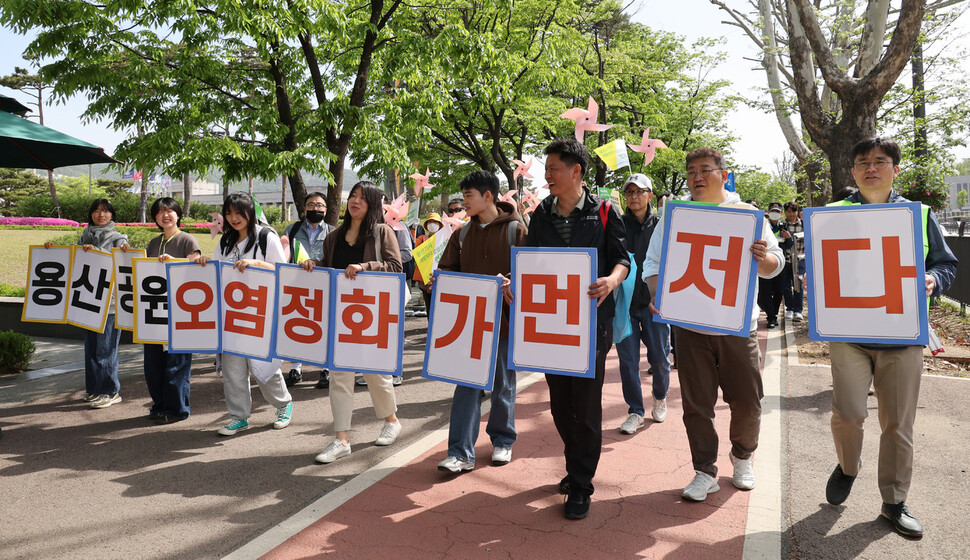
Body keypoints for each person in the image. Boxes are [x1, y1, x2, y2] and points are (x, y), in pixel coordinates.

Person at [823, 137, 957, 538]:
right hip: (848, 331)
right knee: (848, 412)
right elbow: (820, 262)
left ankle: (894, 501)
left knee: (898, 423)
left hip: (902, 333)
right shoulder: (830, 215)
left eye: (880, 162)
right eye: (863, 162)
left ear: (895, 169)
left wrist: (934, 279)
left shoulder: (919, 214)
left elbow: (945, 264)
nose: (871, 168)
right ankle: (849, 465)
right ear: (853, 171)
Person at [643, 147, 784, 502]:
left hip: (738, 327)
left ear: (724, 173)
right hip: (690, 329)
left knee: (748, 401)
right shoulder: (673, 217)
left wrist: (762, 257)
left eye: (705, 169)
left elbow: (775, 263)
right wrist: (660, 293)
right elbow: (653, 263)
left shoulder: (748, 215)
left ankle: (743, 455)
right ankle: (704, 469)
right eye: (691, 171)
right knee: (696, 404)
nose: (697, 177)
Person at [515, 138, 629, 520]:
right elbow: (531, 262)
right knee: (561, 404)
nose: (547, 176)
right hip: (550, 325)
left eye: (553, 170)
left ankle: (582, 484)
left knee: (585, 404)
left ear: (576, 172)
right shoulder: (542, 213)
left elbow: (622, 259)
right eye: (546, 170)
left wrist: (611, 282)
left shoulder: (605, 211)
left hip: (592, 324)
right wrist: (517, 286)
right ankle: (573, 464)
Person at [303, 181, 405, 464]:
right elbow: (327, 268)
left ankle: (392, 421)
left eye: (363, 198)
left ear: (373, 203)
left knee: (375, 374)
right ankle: (341, 439)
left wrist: (365, 267)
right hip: (340, 315)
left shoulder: (382, 231)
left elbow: (396, 267)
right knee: (340, 378)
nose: (355, 202)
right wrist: (313, 266)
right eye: (353, 197)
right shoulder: (334, 237)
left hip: (372, 313)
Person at [435, 170, 527, 474]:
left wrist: (510, 281)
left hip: (504, 323)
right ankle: (460, 452)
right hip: (469, 325)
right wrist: (441, 281)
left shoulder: (516, 230)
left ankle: (502, 440)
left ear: (488, 196)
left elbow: (532, 271)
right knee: (466, 386)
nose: (464, 203)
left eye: (469, 196)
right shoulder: (462, 234)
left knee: (503, 385)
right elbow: (447, 269)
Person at [199, 192, 294, 436]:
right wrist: (202, 262)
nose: (233, 218)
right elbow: (218, 273)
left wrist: (257, 264)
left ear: (250, 213)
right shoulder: (225, 241)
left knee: (264, 367)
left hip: (261, 315)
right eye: (229, 213)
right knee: (233, 370)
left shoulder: (266, 237)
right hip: (231, 316)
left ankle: (283, 404)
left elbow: (283, 271)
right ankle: (238, 416)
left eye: (239, 213)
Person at [47, 199, 129, 409]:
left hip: (109, 305)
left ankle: (110, 391)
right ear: (91, 214)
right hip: (87, 303)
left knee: (106, 350)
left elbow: (123, 257)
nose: (101, 215)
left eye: (105, 211)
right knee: (91, 349)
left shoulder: (118, 239)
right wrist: (50, 250)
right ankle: (94, 389)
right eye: (96, 211)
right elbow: (70, 260)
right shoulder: (84, 236)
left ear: (112, 215)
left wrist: (99, 252)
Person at [615, 173, 670, 435]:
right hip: (624, 306)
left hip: (655, 305)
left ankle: (660, 396)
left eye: (639, 191)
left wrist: (658, 295)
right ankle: (635, 411)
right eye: (629, 192)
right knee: (628, 362)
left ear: (650, 195)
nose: (634, 197)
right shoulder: (616, 225)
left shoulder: (662, 225)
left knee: (659, 358)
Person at [144, 197, 201, 423]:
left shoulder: (187, 239)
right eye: (160, 212)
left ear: (178, 214)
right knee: (153, 364)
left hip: (180, 312)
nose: (165, 215)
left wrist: (175, 260)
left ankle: (177, 409)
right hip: (154, 313)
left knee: (176, 364)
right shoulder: (152, 243)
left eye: (169, 211)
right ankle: (159, 405)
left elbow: (196, 264)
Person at [283, 191, 334, 389]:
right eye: (311, 205)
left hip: (324, 286)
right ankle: (296, 369)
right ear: (304, 209)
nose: (315, 209)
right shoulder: (292, 230)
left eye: (320, 205)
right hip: (297, 286)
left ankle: (326, 369)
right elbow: (284, 256)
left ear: (326, 210)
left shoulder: (332, 231)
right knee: (297, 325)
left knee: (325, 327)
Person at [757, 202, 791, 328]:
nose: (775, 214)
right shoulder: (763, 225)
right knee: (763, 293)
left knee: (778, 291)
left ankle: (773, 316)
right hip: (764, 263)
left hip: (781, 265)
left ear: (781, 213)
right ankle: (770, 315)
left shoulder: (784, 226)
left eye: (777, 211)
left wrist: (788, 238)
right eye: (773, 211)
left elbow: (789, 245)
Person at [415, 212, 443, 313]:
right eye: (430, 222)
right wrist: (413, 229)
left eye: (435, 222)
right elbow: (414, 250)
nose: (433, 224)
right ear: (426, 225)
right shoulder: (421, 239)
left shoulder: (443, 239)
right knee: (429, 303)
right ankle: (429, 326)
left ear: (439, 225)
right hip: (424, 278)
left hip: (438, 276)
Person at [782, 201, 804, 322]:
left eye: (793, 211)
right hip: (786, 259)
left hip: (800, 258)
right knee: (786, 285)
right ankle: (789, 308)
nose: (791, 214)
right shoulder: (782, 225)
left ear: (797, 211)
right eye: (788, 211)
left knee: (798, 285)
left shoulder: (803, 224)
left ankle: (798, 310)